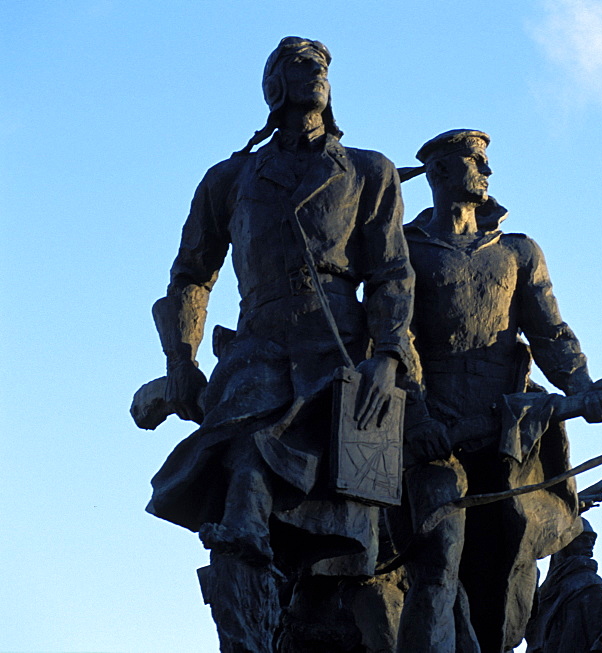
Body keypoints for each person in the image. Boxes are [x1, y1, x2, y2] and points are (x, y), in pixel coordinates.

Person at [143, 37, 413, 652]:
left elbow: (392, 274)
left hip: (344, 359)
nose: (314, 72)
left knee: (360, 531)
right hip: (258, 354)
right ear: (274, 86)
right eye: (298, 64)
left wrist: (389, 356)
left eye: (321, 65)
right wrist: (181, 361)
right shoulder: (230, 177)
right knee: (242, 486)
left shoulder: (370, 171)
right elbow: (190, 275)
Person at [393, 129, 602, 652]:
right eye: (476, 161)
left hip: (505, 440)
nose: (487, 171)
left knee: (503, 567)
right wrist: (418, 419)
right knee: (437, 556)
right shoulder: (405, 249)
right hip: (432, 438)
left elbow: (550, 334)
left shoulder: (518, 251)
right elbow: (393, 335)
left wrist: (583, 389)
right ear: (442, 172)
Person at [525, 519, 602, 653]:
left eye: (591, 541)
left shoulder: (590, 583)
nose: (590, 545)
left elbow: (600, 639)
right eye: (583, 539)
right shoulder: (547, 589)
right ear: (565, 543)